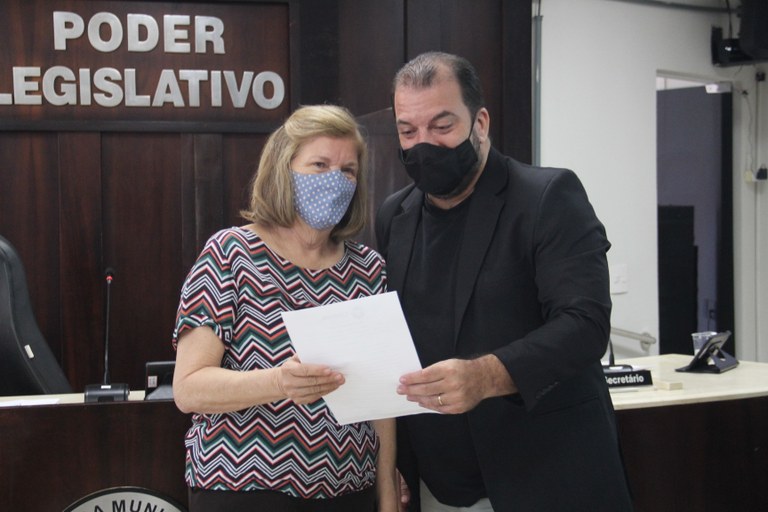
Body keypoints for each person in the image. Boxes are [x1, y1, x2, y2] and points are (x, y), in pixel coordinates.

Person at [375, 52, 634, 511]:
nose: (423, 145)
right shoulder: (395, 213)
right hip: (438, 485)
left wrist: (486, 375)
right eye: (408, 131)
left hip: (547, 474)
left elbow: (585, 324)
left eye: (441, 126)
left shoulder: (546, 197)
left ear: (480, 123)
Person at [172, 104, 398, 511]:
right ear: (283, 170)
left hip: (350, 491)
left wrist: (387, 498)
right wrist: (279, 383)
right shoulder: (230, 253)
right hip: (244, 492)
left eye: (348, 170)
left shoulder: (368, 270)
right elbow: (189, 389)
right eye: (320, 165)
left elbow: (380, 402)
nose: (335, 180)